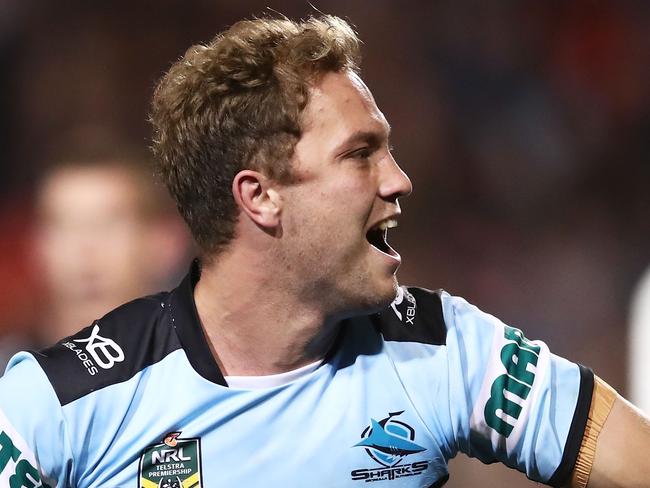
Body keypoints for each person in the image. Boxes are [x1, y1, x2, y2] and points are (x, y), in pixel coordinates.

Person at [0, 15, 647, 488]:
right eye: (359, 154)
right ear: (261, 198)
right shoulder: (52, 408)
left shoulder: (449, 351)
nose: (398, 179)